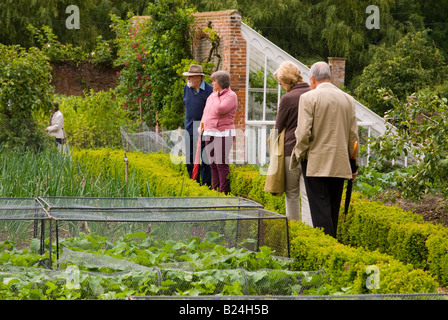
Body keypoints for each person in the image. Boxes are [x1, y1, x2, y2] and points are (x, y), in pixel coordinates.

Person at [290, 61, 359, 238]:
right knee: (333, 210)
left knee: (320, 211)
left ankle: (326, 248)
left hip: (316, 162)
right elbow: (353, 136)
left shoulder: (308, 98)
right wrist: (354, 164)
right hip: (341, 162)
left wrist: (299, 154)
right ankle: (332, 245)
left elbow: (303, 133)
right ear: (330, 77)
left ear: (312, 79)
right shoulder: (348, 99)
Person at [273, 61, 312, 224]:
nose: (281, 85)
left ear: (287, 80)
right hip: (311, 150)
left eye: (281, 82)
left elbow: (279, 125)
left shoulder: (288, 98)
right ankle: (311, 231)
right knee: (308, 195)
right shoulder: (312, 93)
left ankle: (294, 230)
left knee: (291, 194)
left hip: (291, 150)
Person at [200, 70, 238, 194]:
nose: (212, 83)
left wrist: (216, 96)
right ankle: (215, 189)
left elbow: (220, 110)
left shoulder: (231, 96)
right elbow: (206, 112)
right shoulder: (212, 95)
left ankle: (223, 192)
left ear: (220, 82)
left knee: (221, 163)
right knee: (212, 163)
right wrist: (202, 126)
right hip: (209, 132)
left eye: (214, 81)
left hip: (223, 133)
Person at [183, 64, 213, 187]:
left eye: (191, 77)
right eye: (188, 77)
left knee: (205, 159)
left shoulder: (210, 90)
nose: (188, 79)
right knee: (190, 159)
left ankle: (205, 186)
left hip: (205, 129)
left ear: (198, 78)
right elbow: (187, 106)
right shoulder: (187, 88)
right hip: (190, 128)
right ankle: (193, 185)